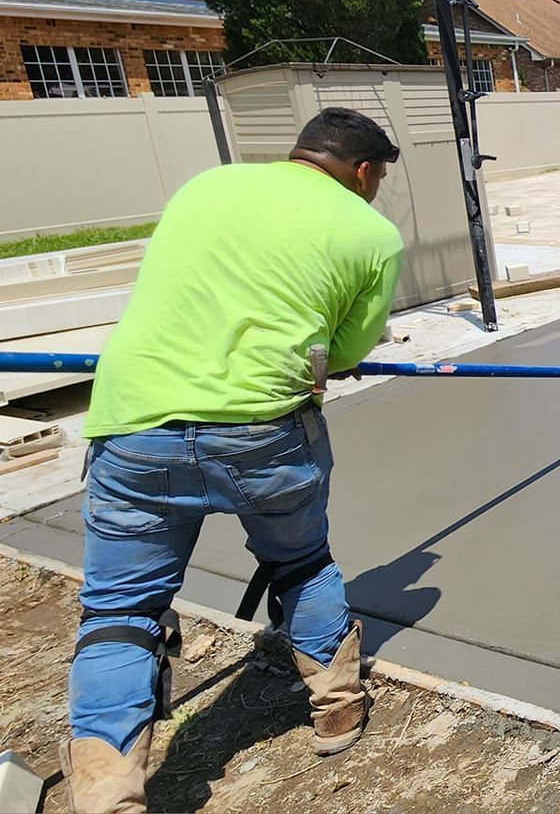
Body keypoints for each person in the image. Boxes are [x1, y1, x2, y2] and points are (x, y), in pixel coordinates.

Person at [65, 107, 403, 812]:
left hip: (135, 424)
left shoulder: (203, 187)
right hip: (263, 430)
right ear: (366, 171)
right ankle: (337, 705)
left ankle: (107, 795)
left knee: (120, 610)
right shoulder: (371, 234)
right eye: (377, 182)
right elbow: (341, 354)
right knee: (303, 562)